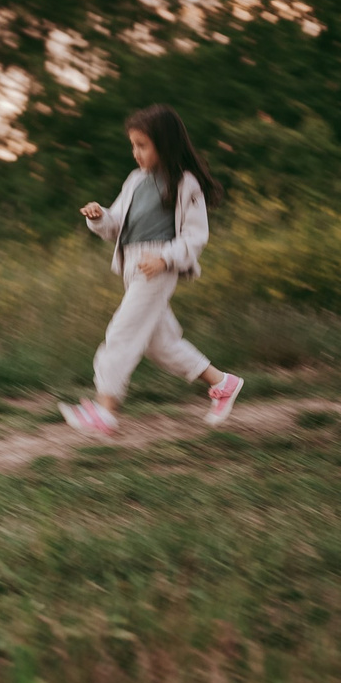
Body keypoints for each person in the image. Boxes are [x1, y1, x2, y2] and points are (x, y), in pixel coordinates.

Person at [63, 104, 245, 437]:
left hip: (158, 267)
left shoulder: (186, 184)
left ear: (165, 143)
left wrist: (166, 259)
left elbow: (195, 236)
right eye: (133, 145)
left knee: (122, 332)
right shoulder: (135, 181)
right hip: (133, 266)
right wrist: (98, 216)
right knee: (160, 343)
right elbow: (116, 223)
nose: (136, 153)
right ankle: (222, 382)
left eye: (142, 145)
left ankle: (105, 410)